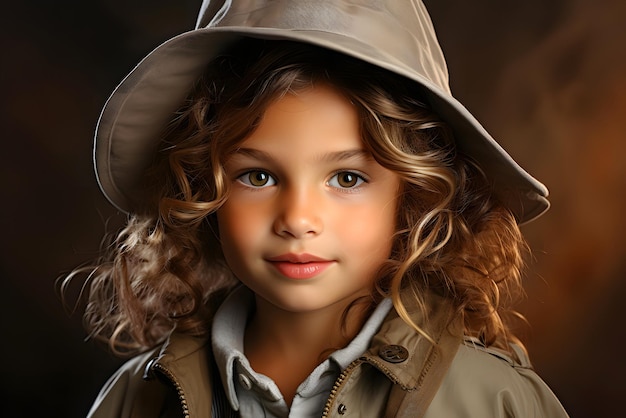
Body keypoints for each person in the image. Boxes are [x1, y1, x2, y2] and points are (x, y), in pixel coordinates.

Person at [68, 0, 569, 416]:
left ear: (414, 195)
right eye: (258, 176)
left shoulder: (495, 403)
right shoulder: (136, 400)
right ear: (203, 189)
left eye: (347, 178)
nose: (298, 220)